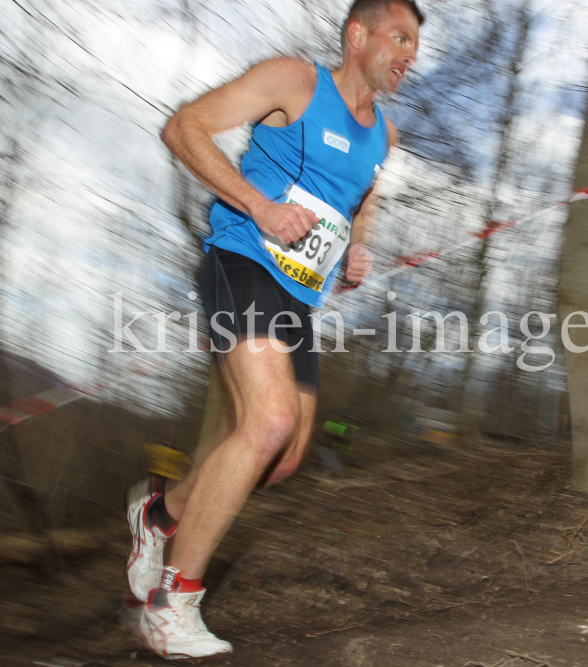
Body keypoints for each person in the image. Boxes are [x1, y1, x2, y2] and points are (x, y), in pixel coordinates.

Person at [124, 0, 423, 659]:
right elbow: (184, 128)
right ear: (358, 34)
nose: (410, 54)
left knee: (281, 455)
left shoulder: (386, 136)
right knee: (266, 422)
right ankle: (172, 603)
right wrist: (259, 205)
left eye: (415, 45)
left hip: (297, 299)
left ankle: (159, 512)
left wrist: (355, 251)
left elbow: (361, 197)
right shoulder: (294, 81)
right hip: (241, 261)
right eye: (399, 37)